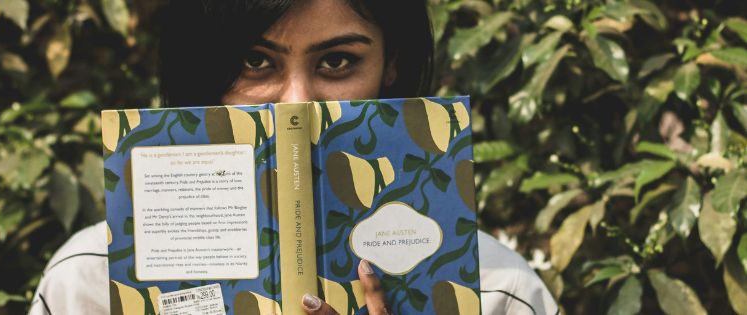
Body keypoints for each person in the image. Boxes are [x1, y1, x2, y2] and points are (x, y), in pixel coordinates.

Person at [28, 0, 560, 314]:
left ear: (391, 65)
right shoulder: (91, 282)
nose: (297, 102)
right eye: (255, 61)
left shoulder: (495, 290)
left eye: (337, 61)